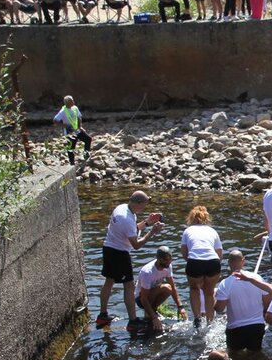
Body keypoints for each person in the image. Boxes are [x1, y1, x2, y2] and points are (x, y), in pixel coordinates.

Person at [97, 191, 163, 329]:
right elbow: (136, 245)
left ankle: (102, 315)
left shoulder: (122, 208)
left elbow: (132, 229)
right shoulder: (126, 218)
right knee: (128, 285)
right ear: (138, 203)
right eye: (144, 204)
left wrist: (147, 222)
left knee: (109, 281)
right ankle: (133, 321)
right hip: (119, 253)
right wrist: (152, 232)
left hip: (108, 247)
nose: (145, 207)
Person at [214, 249, 269, 351]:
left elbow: (219, 309)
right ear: (243, 261)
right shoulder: (257, 278)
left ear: (229, 263)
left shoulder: (225, 284)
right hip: (257, 326)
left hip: (236, 328)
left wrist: (214, 298)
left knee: (234, 358)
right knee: (256, 354)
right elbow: (267, 303)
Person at [181, 205, 224, 329]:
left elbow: (184, 252)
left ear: (191, 218)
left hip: (194, 261)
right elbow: (219, 253)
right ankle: (210, 321)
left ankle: (197, 318)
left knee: (194, 289)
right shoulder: (212, 231)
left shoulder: (188, 231)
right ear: (207, 218)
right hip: (213, 261)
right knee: (209, 292)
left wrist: (192, 262)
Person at [136, 246, 187, 333]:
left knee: (168, 288)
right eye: (165, 260)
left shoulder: (168, 266)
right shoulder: (147, 272)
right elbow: (143, 298)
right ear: (158, 259)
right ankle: (150, 314)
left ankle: (152, 310)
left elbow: (172, 286)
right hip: (141, 299)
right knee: (165, 287)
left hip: (153, 294)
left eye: (170, 260)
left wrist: (180, 306)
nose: (168, 262)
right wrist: (154, 318)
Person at [53, 94, 92, 165]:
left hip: (77, 130)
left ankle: (86, 155)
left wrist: (80, 126)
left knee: (88, 139)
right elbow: (55, 120)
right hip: (69, 132)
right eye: (71, 101)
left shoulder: (75, 108)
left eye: (73, 100)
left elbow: (79, 117)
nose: (73, 102)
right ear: (67, 102)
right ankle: (72, 163)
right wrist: (63, 125)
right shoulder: (63, 111)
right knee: (71, 148)